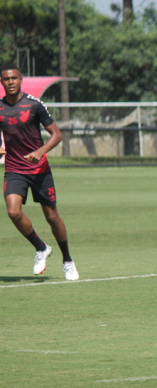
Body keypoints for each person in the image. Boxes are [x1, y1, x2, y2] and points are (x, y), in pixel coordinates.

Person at [0, 63, 79, 280]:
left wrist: (40, 151)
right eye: (6, 79)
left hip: (40, 169)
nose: (11, 82)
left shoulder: (34, 105)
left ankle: (68, 260)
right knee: (13, 212)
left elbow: (57, 134)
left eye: (14, 78)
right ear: (2, 82)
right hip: (15, 169)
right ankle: (41, 247)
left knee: (52, 217)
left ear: (20, 79)